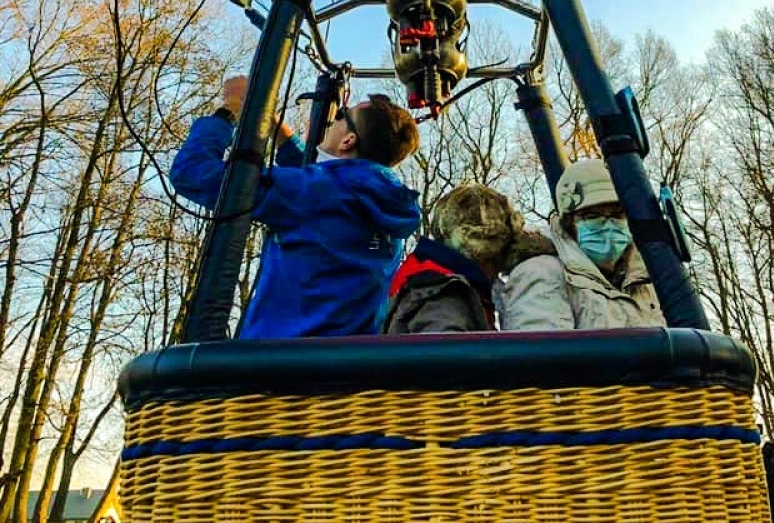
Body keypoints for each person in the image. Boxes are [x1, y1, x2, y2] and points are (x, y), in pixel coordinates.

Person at [170, 78, 421, 339]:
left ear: (348, 141)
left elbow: (192, 172)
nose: (334, 118)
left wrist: (228, 111)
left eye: (343, 116)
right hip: (343, 371)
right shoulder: (385, 205)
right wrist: (278, 130)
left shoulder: (317, 193)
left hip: (276, 366)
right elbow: (325, 199)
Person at [495, 159, 660, 331]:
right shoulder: (541, 274)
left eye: (617, 214)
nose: (608, 224)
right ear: (568, 223)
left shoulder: (648, 279)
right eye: (592, 216)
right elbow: (543, 354)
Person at [385, 184, 523, 333]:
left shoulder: (431, 283)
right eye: (498, 259)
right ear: (485, 250)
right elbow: (443, 353)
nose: (497, 273)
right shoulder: (445, 294)